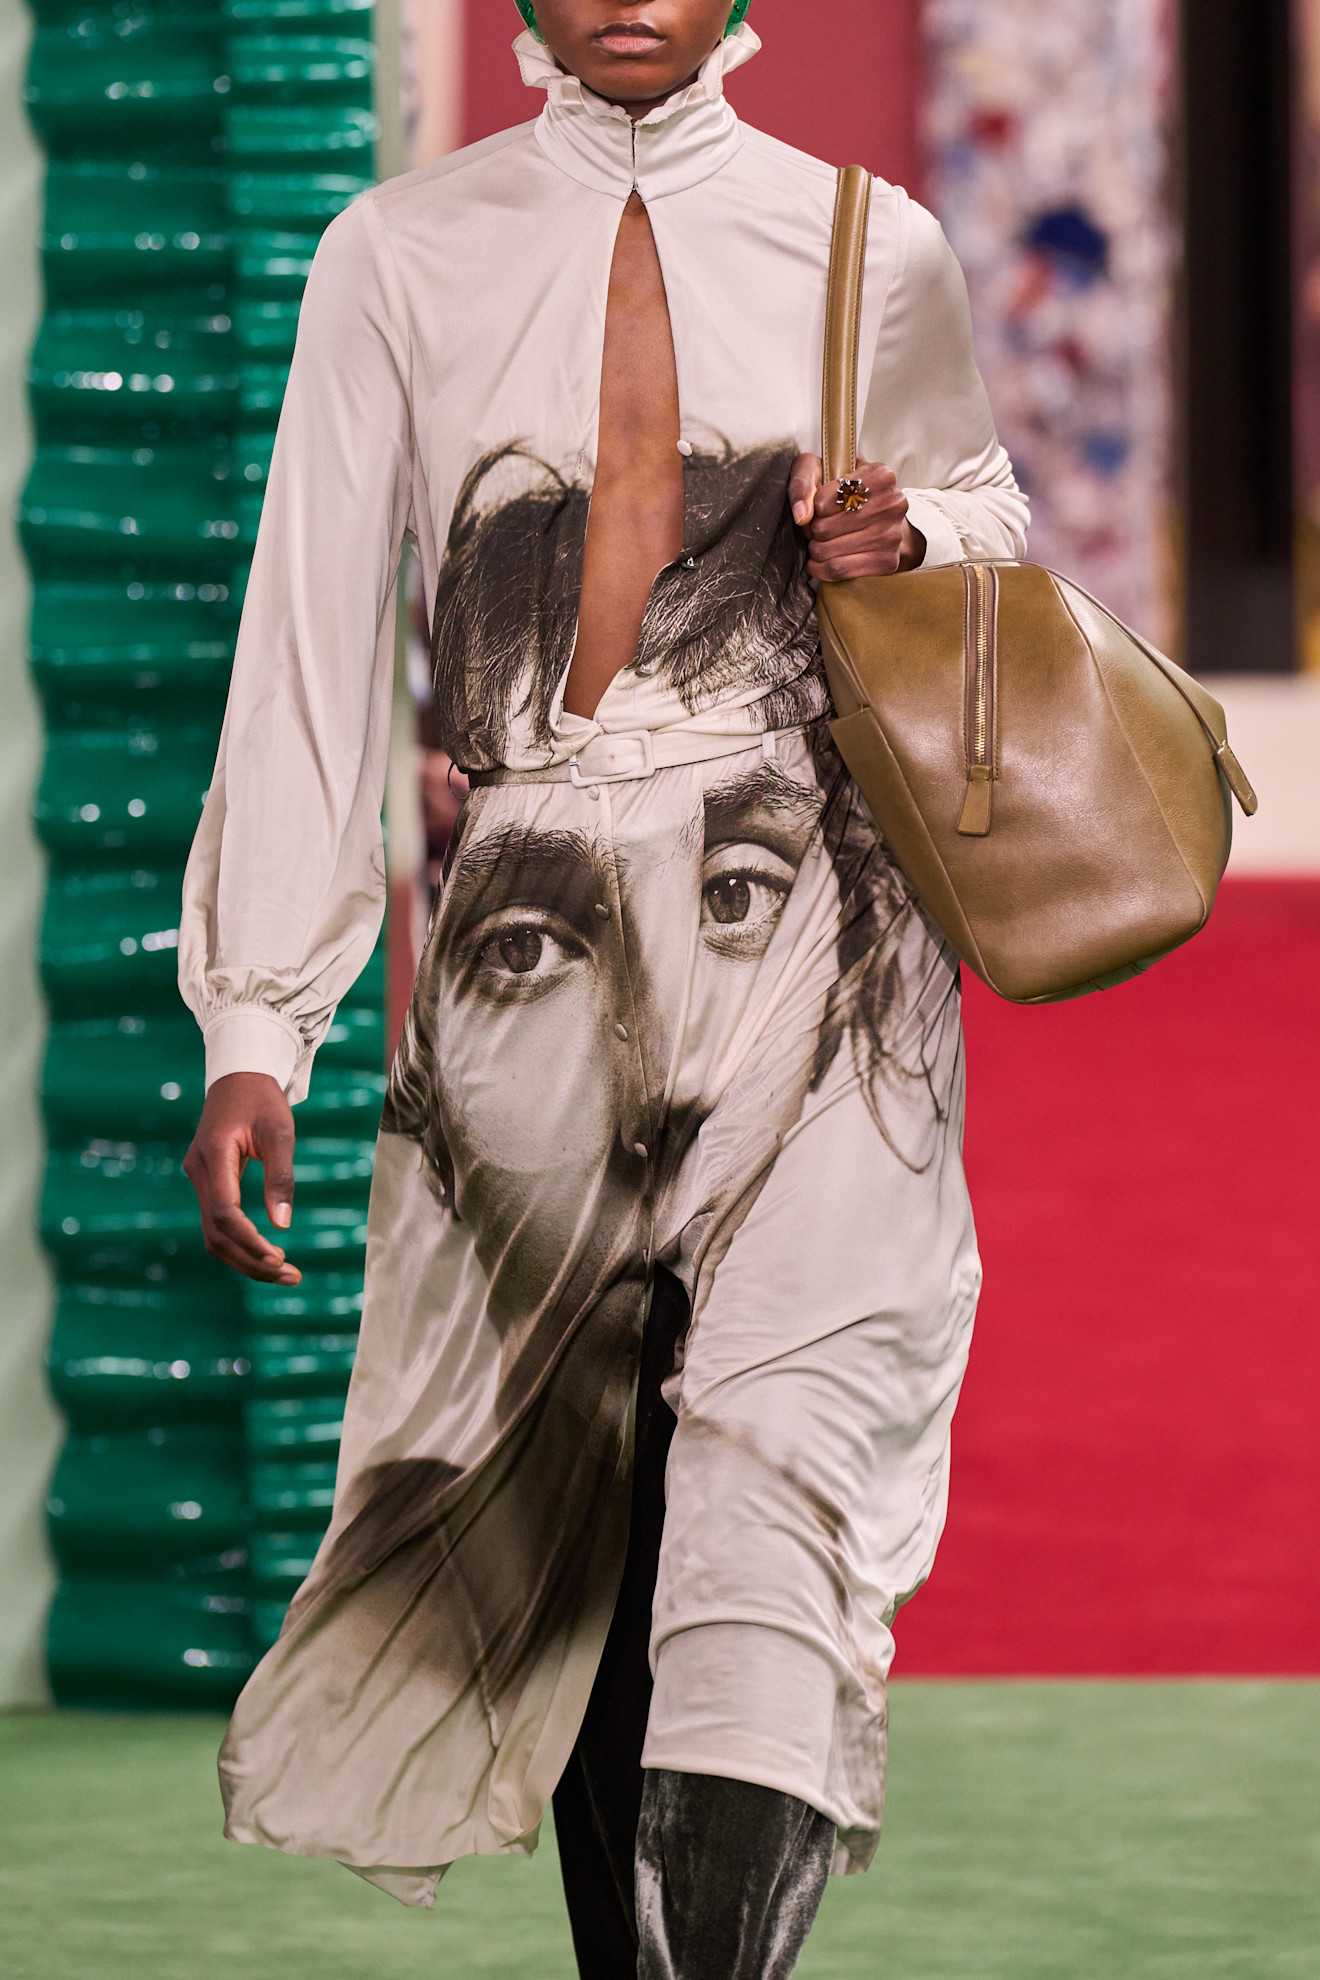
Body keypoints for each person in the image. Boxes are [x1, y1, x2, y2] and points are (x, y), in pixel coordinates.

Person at [179, 3, 1028, 1974]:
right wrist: (259, 1020)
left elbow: (991, 515)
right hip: (532, 935)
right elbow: (310, 636)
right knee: (578, 1517)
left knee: (775, 1494)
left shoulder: (869, 242)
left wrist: (912, 530)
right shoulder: (397, 254)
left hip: (817, 922)